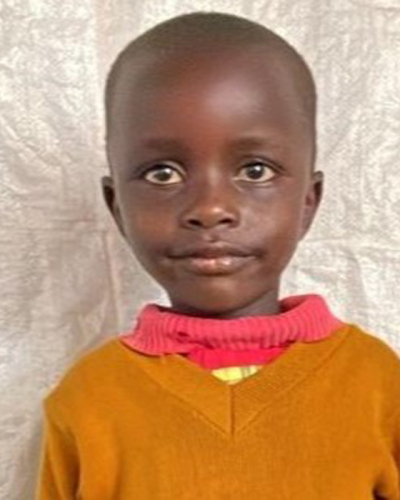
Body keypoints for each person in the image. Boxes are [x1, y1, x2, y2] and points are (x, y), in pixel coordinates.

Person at [36, 11, 400, 499]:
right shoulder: (87, 401)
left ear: (308, 202)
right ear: (116, 206)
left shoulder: (379, 387)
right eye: (162, 173)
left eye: (255, 170)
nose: (210, 209)